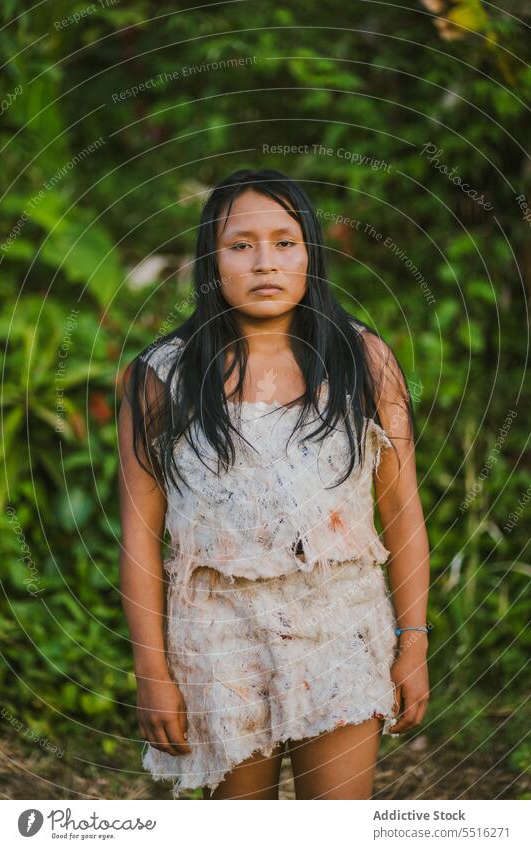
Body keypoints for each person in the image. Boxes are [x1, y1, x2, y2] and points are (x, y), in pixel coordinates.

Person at [117, 168, 431, 800]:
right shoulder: (162, 378)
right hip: (218, 630)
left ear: (311, 254)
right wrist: (151, 667)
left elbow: (400, 509)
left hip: (342, 622)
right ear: (212, 259)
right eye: (241, 245)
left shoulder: (363, 362)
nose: (265, 262)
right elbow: (140, 536)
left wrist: (413, 640)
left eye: (285, 242)